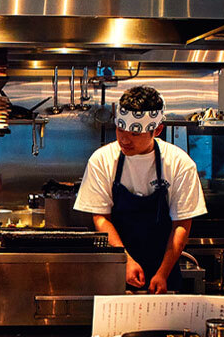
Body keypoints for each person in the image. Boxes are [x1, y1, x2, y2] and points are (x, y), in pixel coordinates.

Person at [74, 85, 205, 293]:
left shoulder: (180, 164)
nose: (124, 140)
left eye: (135, 133)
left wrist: (162, 274)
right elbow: (101, 218)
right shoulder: (102, 160)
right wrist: (125, 260)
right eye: (120, 130)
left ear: (157, 130)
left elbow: (181, 225)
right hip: (115, 266)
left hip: (165, 269)